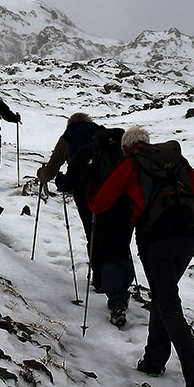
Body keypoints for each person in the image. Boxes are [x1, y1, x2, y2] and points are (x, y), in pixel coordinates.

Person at [88, 126, 194, 387]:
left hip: (155, 242)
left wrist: (91, 187)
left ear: (126, 148)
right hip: (187, 239)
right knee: (162, 295)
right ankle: (154, 360)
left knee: (168, 304)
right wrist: (182, 216)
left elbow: (98, 204)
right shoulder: (176, 161)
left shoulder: (131, 164)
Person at [65, 125, 134, 327]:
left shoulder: (89, 154)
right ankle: (122, 291)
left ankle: (116, 302)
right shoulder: (126, 156)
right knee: (122, 250)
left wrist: (62, 181)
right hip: (127, 211)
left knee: (107, 256)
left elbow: (72, 180)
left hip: (101, 211)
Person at [35, 112, 103, 241]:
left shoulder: (68, 138)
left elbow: (51, 169)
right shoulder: (102, 134)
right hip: (109, 186)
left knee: (91, 231)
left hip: (83, 189)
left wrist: (42, 176)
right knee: (112, 231)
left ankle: (96, 253)